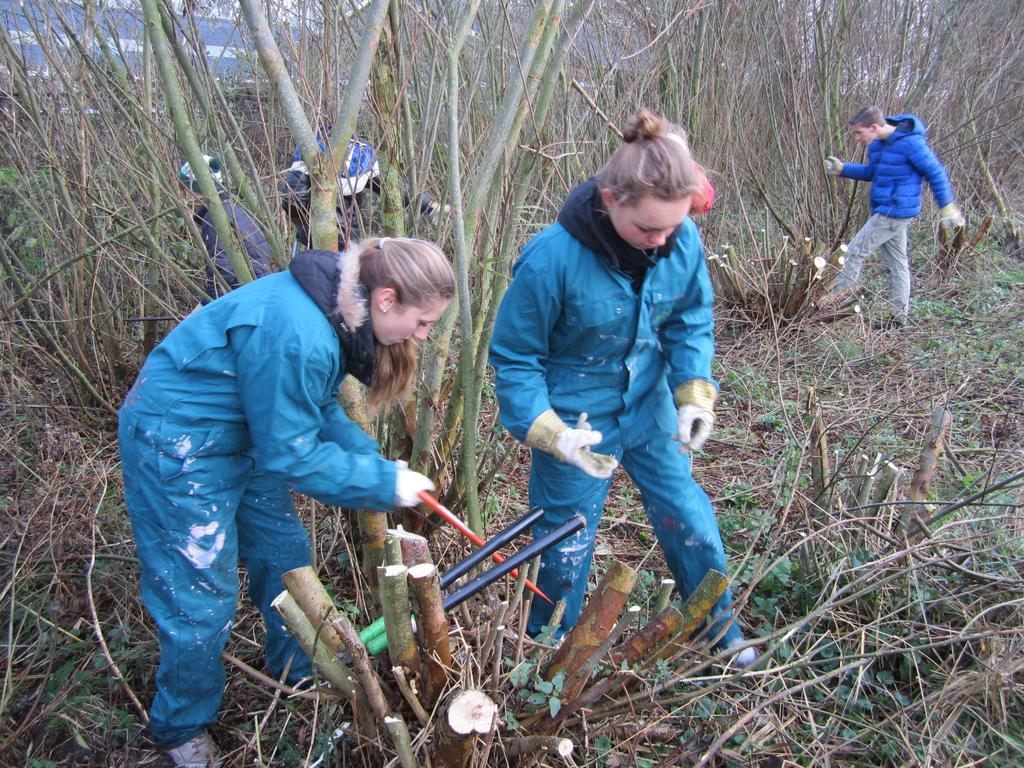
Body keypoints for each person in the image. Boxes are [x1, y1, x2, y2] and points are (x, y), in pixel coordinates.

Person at [119, 237, 454, 767]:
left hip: (245, 432)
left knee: (285, 557)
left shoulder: (335, 315)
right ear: (387, 299)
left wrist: (377, 465)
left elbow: (315, 407)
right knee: (201, 591)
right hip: (179, 439)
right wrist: (382, 486)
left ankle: (299, 674)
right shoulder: (299, 332)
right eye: (423, 322)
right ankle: (180, 727)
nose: (423, 336)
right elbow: (293, 455)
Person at [489, 108, 756, 668]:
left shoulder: (679, 241)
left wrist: (693, 392)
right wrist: (547, 431)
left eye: (673, 227)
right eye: (648, 229)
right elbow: (515, 357)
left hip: (651, 400)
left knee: (688, 512)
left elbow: (690, 319)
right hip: (577, 416)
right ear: (611, 199)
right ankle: (546, 653)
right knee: (565, 540)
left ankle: (719, 626)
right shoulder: (550, 259)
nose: (661, 241)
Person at [822, 106, 964, 329]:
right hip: (885, 210)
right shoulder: (877, 145)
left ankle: (831, 309)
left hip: (894, 212)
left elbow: (935, 172)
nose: (857, 138)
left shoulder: (910, 143)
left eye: (859, 133)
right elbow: (872, 173)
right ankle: (899, 319)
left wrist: (947, 207)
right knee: (897, 264)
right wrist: (843, 169)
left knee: (853, 254)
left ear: (874, 127)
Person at [281, 136, 442, 254]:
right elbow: (395, 189)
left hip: (330, 238)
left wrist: (307, 228)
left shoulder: (315, 155)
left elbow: (293, 201)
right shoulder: (358, 157)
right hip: (341, 239)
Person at [179, 154, 273, 300]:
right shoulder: (233, 205)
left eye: (185, 187)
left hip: (247, 294)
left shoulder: (214, 218)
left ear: (195, 186)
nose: (185, 194)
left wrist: (210, 304)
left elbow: (221, 271)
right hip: (261, 286)